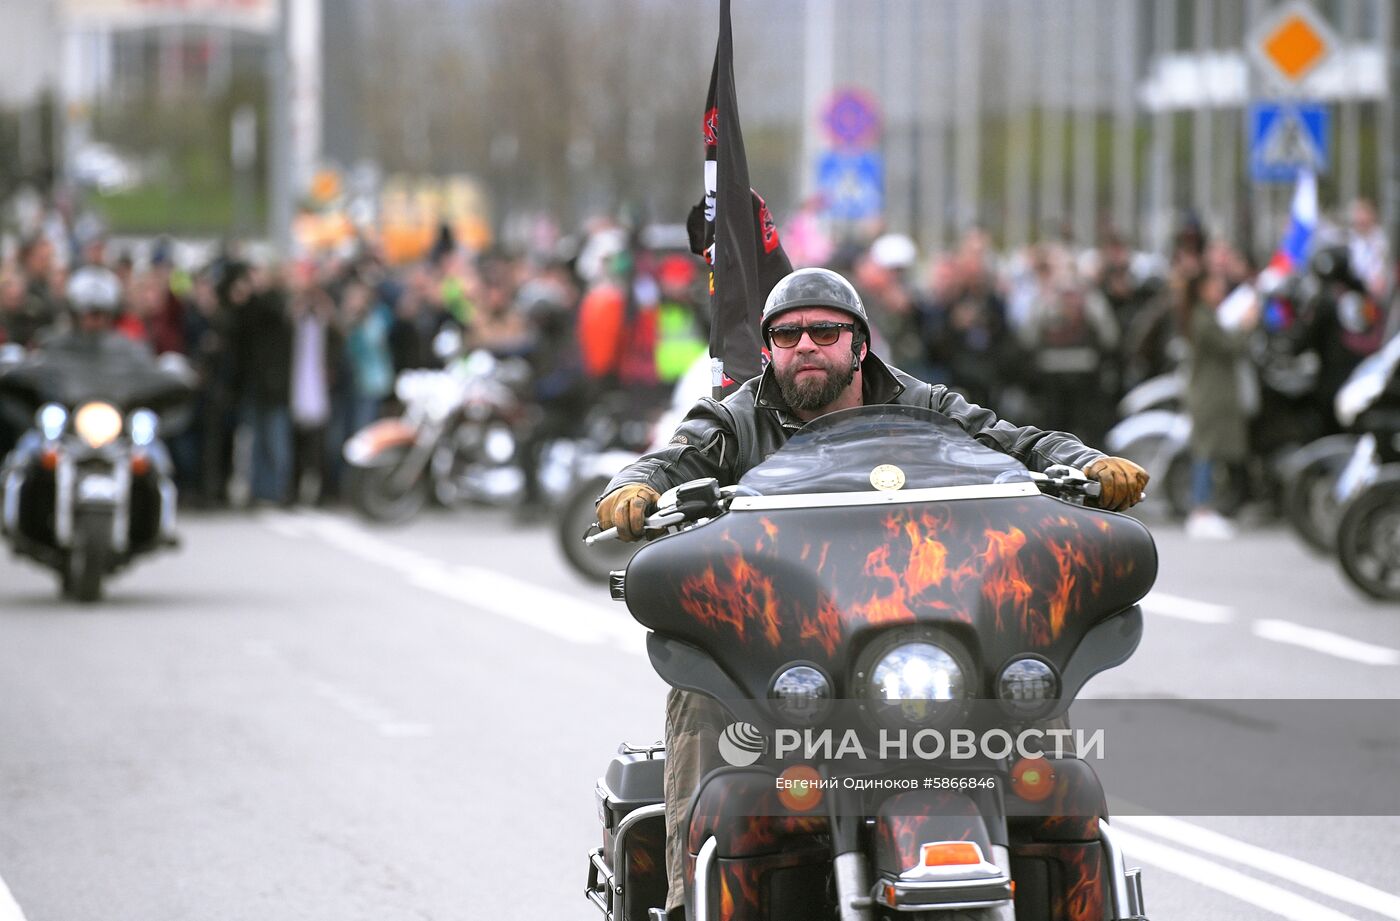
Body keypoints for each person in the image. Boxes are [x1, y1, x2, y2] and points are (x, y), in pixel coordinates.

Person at [593, 267, 1149, 918]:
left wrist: (1085, 464)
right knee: (697, 695)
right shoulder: (735, 419)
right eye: (787, 334)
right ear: (768, 349)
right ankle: (691, 901)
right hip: (790, 650)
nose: (805, 345)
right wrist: (634, 488)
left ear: (859, 345)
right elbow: (673, 459)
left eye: (825, 331)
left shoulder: (925, 407)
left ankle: (1060, 872)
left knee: (1031, 683)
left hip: (915, 628)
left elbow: (1017, 444)